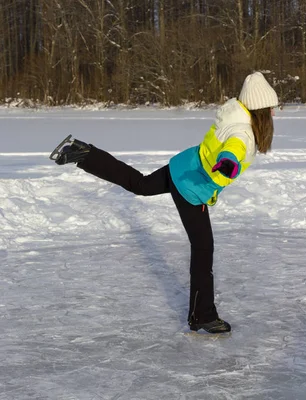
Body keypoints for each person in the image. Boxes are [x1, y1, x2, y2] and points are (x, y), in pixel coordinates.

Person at [51, 72, 278, 334]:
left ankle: (84, 154)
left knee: (141, 184)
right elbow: (234, 148)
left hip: (181, 167)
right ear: (261, 110)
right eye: (271, 108)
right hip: (191, 188)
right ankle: (202, 315)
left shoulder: (235, 117)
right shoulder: (243, 132)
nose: (274, 114)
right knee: (203, 251)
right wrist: (228, 163)